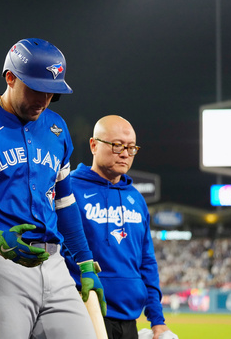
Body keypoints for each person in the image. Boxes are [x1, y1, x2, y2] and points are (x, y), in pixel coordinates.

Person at [0, 38, 105, 338]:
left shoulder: (56, 127)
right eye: (36, 89)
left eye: (52, 93)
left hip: (54, 265)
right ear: (10, 78)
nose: (43, 99)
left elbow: (64, 202)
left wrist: (84, 260)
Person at [63, 115, 178, 339]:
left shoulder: (136, 198)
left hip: (129, 319)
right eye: (116, 145)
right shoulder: (69, 190)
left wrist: (157, 320)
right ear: (93, 145)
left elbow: (147, 260)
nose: (125, 153)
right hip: (83, 312)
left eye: (131, 147)